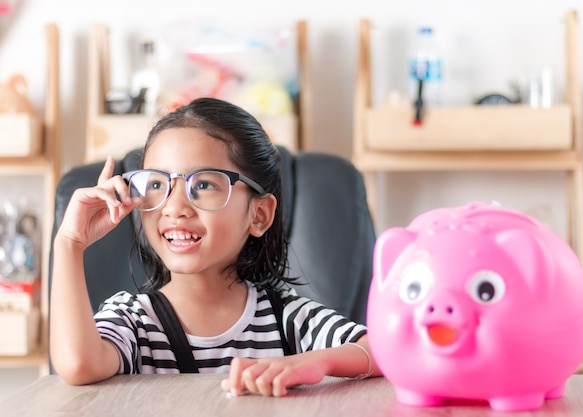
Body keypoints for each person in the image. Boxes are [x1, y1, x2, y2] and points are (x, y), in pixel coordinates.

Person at [50, 97, 380, 397]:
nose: (174, 207)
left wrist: (314, 363)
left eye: (204, 184)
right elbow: (79, 365)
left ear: (259, 214)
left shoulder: (285, 318)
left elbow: (383, 351)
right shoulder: (133, 320)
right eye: (156, 184)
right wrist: (69, 243)